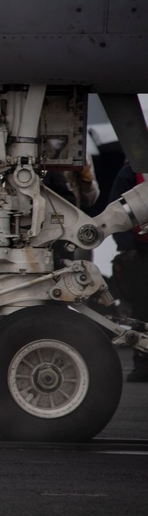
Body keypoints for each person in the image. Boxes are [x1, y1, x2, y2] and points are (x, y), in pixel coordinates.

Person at [106, 161, 148, 383]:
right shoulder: (133, 170)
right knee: (141, 307)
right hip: (141, 250)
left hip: (139, 248)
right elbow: (117, 207)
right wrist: (127, 245)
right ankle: (142, 363)